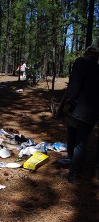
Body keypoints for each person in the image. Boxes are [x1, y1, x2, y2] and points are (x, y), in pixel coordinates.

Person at [56, 45, 99, 183]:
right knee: (81, 142)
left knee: (73, 135)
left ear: (87, 53)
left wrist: (68, 103)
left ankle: (72, 170)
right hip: (92, 112)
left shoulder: (81, 62)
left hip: (77, 109)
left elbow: (75, 84)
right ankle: (73, 173)